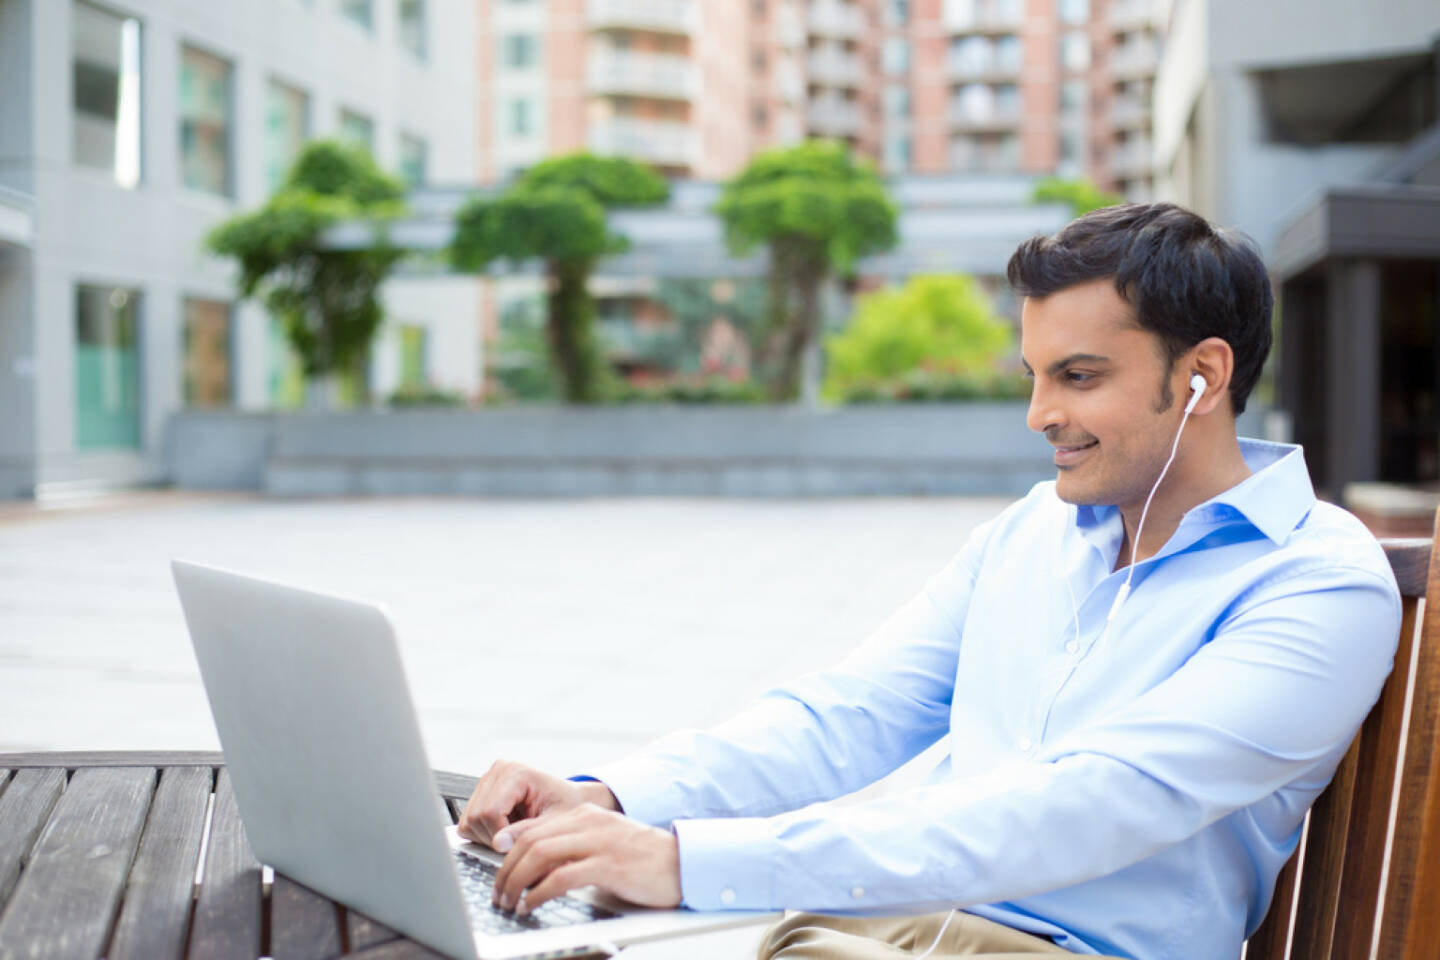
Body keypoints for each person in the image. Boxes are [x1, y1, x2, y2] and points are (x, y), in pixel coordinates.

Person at [457, 203, 1402, 959]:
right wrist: (615, 799)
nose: (1040, 414)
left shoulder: (1317, 582)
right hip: (884, 926)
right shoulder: (1035, 532)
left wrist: (687, 860)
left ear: (1201, 375)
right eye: (1033, 375)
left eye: (1077, 376)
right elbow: (852, 714)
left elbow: (1082, 808)